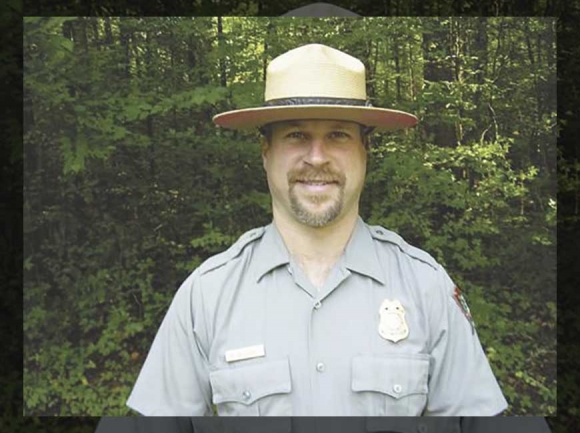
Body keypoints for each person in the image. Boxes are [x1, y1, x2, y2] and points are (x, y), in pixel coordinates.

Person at [125, 42, 508, 417]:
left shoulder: (426, 287)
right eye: (296, 135)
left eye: (338, 135)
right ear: (266, 153)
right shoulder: (206, 295)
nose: (317, 157)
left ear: (364, 152)